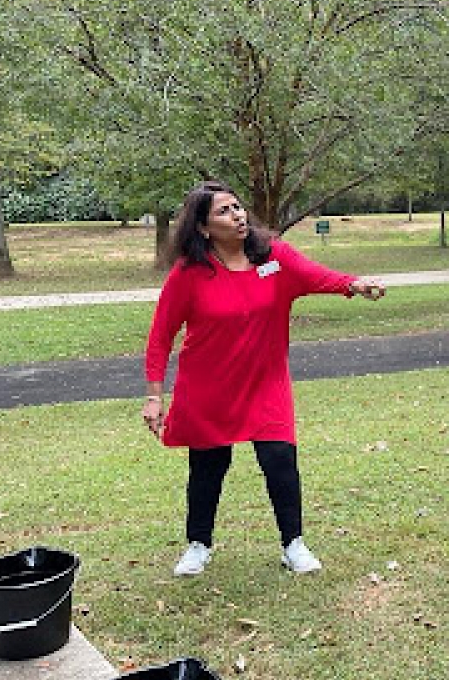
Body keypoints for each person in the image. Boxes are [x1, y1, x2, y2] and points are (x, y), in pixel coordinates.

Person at [144, 182, 385, 577]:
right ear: (203, 227)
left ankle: (294, 544)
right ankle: (198, 545)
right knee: (208, 467)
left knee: (279, 460)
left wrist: (354, 284)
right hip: (209, 388)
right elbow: (160, 337)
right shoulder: (189, 274)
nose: (237, 215)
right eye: (223, 211)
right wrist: (154, 396)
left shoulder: (273, 257)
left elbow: (317, 275)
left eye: (237, 207)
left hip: (265, 382)